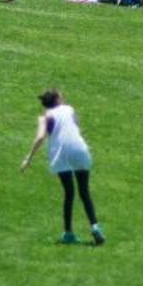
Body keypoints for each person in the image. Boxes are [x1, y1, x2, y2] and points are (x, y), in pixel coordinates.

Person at [19, 88, 104, 245]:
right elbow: (76, 128)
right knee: (84, 192)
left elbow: (40, 137)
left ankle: (68, 233)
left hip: (59, 154)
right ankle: (95, 226)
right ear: (57, 100)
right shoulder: (69, 109)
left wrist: (28, 158)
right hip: (79, 149)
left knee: (69, 193)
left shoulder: (44, 117)